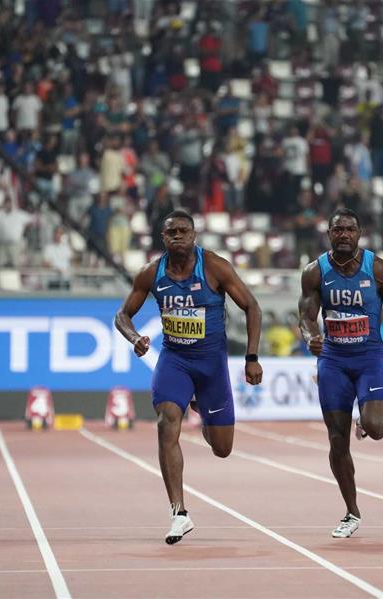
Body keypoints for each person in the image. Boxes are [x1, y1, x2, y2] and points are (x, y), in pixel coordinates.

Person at [114, 209, 262, 545]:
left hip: (211, 366)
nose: (177, 236)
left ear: (194, 235)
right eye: (171, 232)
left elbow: (252, 306)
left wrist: (251, 357)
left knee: (222, 448)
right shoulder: (151, 274)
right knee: (167, 421)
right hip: (175, 360)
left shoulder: (214, 266)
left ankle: (200, 407)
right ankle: (178, 512)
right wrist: (134, 337)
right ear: (162, 239)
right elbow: (122, 315)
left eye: (183, 231)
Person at [298, 208, 383, 538]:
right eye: (337, 229)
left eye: (349, 229)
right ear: (329, 234)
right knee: (337, 440)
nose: (343, 234)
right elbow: (306, 315)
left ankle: (364, 419)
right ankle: (351, 511)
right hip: (333, 362)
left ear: (359, 233)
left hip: (369, 358)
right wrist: (311, 336)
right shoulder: (315, 272)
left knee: (377, 426)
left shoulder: (380, 270)